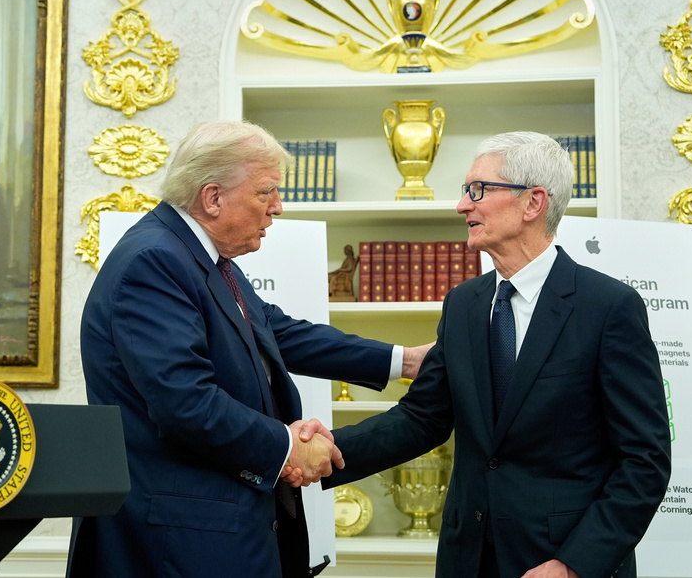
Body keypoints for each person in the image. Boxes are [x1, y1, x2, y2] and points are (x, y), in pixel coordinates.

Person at [71, 120, 430, 578]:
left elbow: (278, 333)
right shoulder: (155, 260)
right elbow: (186, 402)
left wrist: (405, 361)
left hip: (218, 530)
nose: (277, 208)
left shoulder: (200, 254)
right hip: (180, 540)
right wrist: (288, 448)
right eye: (266, 193)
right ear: (213, 197)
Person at [310, 131, 671, 578]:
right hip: (468, 559)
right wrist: (317, 452)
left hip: (561, 561)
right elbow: (421, 418)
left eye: (478, 190)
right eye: (466, 191)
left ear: (533, 202)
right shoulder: (463, 304)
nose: (463, 206)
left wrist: (575, 564)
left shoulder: (608, 307)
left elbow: (644, 460)